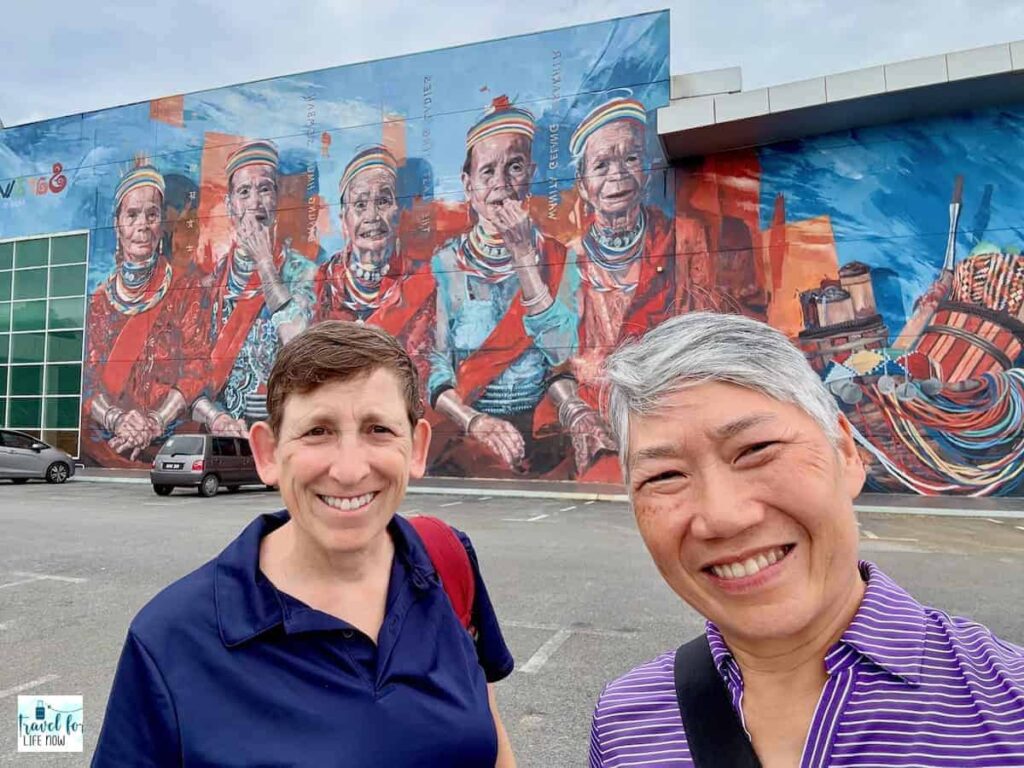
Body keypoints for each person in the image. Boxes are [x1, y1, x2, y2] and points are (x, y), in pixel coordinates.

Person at [590, 311, 1024, 768]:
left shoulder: (1008, 711)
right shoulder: (626, 724)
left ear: (846, 453)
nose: (722, 517)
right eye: (664, 476)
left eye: (756, 450)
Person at [92, 321, 516, 767]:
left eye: (379, 430)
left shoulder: (445, 561)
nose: (349, 470)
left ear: (417, 448)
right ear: (268, 454)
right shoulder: (171, 641)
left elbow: (488, 734)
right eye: (318, 431)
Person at [428, 96, 599, 478]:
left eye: (515, 167)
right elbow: (435, 365)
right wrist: (475, 422)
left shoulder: (559, 258)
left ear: (531, 174)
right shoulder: (446, 264)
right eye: (487, 172)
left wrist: (523, 255)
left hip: (542, 433)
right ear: (468, 184)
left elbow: (561, 352)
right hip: (468, 432)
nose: (501, 185)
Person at [187, 139, 316, 436]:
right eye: (244, 192)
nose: (255, 202)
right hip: (226, 437)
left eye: (265, 189)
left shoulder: (303, 273)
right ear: (230, 204)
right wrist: (217, 419)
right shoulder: (208, 287)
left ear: (277, 199)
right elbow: (188, 380)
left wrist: (264, 261)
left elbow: (302, 345)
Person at [82, 160, 200, 467]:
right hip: (107, 446)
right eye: (132, 215)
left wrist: (156, 421)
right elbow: (87, 383)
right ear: (118, 224)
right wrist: (117, 420)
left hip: (170, 445)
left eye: (152, 215)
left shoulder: (185, 291)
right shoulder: (98, 303)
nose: (142, 225)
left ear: (162, 225)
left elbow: (196, 371)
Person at [566, 96, 676, 413]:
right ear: (583, 185)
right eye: (601, 165)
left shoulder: (682, 239)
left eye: (631, 159)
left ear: (648, 171)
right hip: (595, 409)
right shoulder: (568, 259)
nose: (618, 176)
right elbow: (554, 361)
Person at [314, 145, 435, 386]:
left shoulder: (420, 281)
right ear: (344, 221)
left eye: (383, 201)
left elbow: (423, 370)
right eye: (359, 204)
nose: (372, 215)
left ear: (398, 213)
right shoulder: (320, 283)